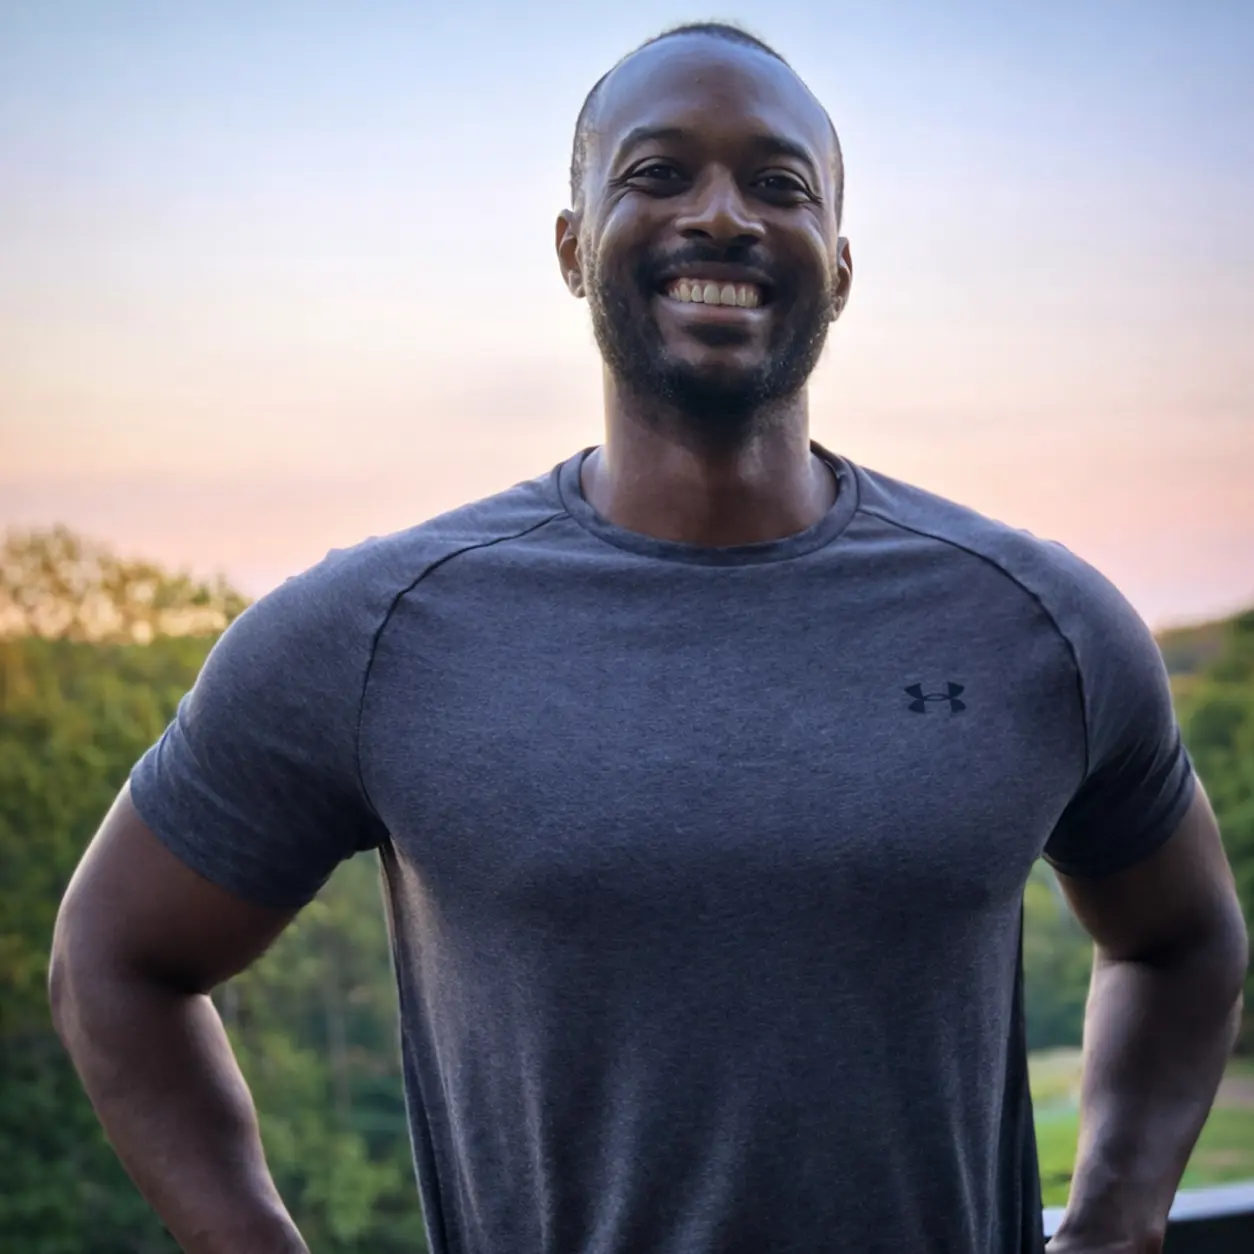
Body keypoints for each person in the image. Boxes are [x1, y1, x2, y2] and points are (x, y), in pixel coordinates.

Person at [50, 21, 1247, 1254]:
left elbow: (1184, 939)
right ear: (572, 247)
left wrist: (1115, 1219)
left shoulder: (1039, 624)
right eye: (657, 174)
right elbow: (114, 958)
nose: (721, 216)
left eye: (777, 185)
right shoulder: (376, 635)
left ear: (839, 265)